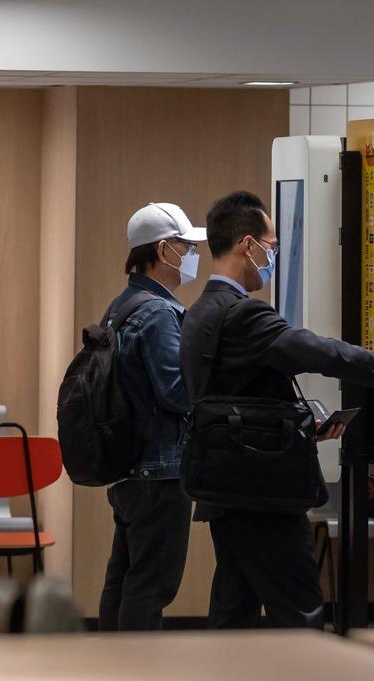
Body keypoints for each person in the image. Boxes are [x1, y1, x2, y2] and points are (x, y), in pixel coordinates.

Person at [180, 191, 374, 681]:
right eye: (270, 247)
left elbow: (235, 395)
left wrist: (298, 421)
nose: (271, 258)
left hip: (224, 487)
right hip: (263, 490)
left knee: (232, 615)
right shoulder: (245, 314)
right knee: (298, 611)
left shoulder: (197, 314)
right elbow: (314, 350)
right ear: (246, 244)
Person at [97, 202, 206, 632]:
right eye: (187, 246)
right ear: (165, 250)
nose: (193, 255)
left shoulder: (120, 306)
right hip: (159, 471)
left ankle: (113, 680)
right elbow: (177, 393)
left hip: (127, 467)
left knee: (123, 576)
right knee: (151, 584)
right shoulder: (160, 314)